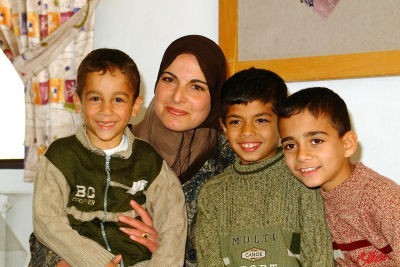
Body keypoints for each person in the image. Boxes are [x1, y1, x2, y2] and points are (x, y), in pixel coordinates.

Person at [29, 35, 235, 267]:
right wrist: (62, 262)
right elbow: (44, 231)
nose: (178, 97)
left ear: (215, 96)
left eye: (196, 87)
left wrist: (164, 251)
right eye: (169, 79)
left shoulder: (228, 165)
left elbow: (238, 254)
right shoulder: (107, 140)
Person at [196, 68, 334, 266]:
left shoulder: (303, 180)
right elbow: (209, 261)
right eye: (236, 122)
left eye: (261, 120)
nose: (247, 131)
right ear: (224, 127)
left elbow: (319, 257)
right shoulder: (212, 193)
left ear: (282, 125)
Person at [278, 87, 400, 266]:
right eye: (290, 145)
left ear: (348, 144)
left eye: (316, 141)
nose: (302, 155)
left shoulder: (382, 199)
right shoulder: (308, 200)